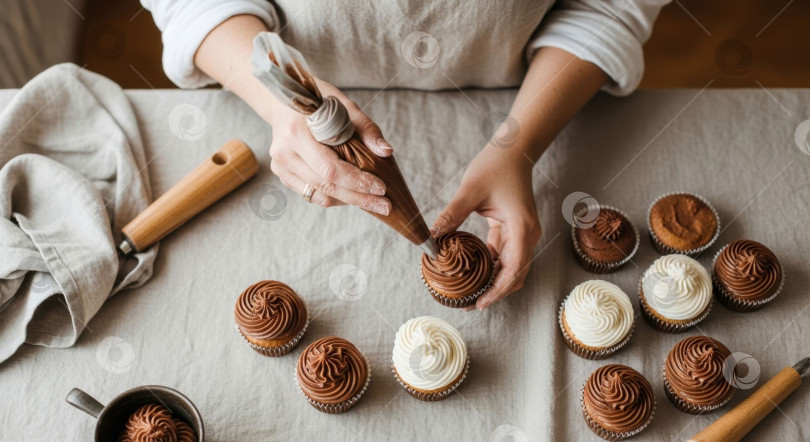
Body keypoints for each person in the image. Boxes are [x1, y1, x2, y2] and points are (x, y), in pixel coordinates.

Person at [142, 0, 669, 309]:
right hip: (298, 88)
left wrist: (519, 145)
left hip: (526, 92)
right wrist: (279, 105)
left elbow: (611, 7)